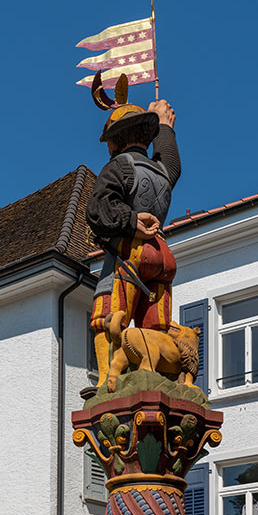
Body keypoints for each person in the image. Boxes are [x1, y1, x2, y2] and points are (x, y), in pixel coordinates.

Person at [86, 93, 181, 389]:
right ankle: (155, 378)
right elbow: (173, 163)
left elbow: (97, 210)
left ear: (114, 141)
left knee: (107, 317)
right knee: (156, 324)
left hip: (130, 255)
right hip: (162, 256)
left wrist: (130, 221)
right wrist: (165, 127)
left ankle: (106, 382)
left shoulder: (119, 166)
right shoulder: (163, 172)